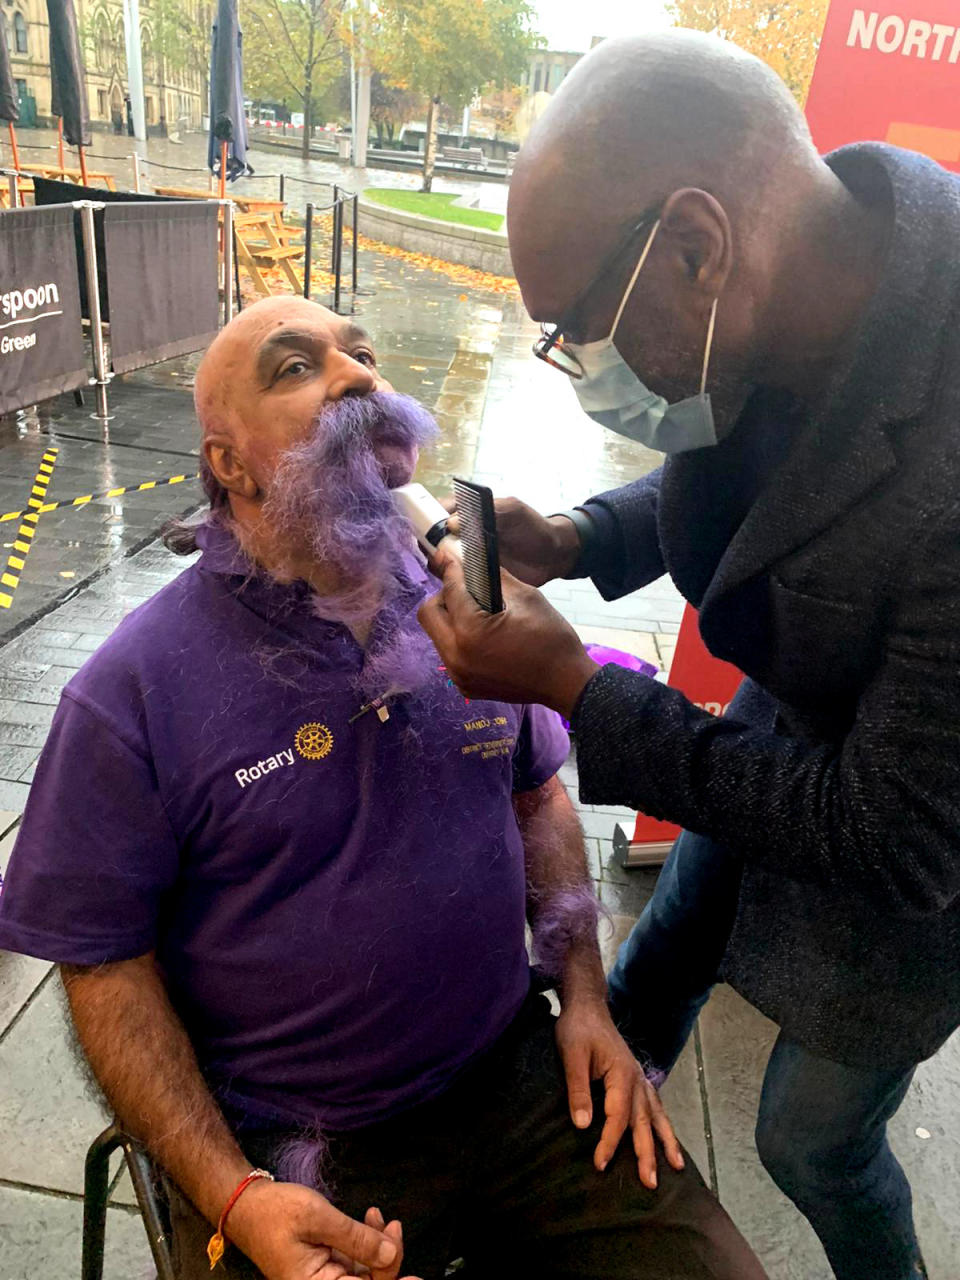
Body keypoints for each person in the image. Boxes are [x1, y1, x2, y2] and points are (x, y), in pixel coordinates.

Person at [0, 298, 765, 1280]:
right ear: (229, 465)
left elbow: (538, 793)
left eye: (363, 352)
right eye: (294, 368)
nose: (357, 373)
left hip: (513, 1075)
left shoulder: (473, 592)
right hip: (291, 1146)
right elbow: (103, 966)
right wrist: (234, 1192)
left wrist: (584, 998)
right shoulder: (128, 692)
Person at [418, 30, 960, 1280]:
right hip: (780, 736)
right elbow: (755, 472)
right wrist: (576, 534)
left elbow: (897, 833)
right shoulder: (801, 286)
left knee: (807, 1140)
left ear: (700, 245)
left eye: (580, 329)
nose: (577, 370)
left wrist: (573, 687)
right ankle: (613, 1160)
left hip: (912, 854)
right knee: (655, 968)